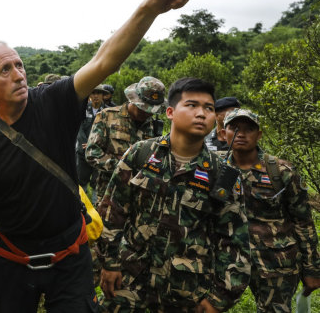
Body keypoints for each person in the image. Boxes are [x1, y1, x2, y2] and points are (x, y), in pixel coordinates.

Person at [0, 0, 194, 313]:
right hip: (13, 264)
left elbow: (105, 60)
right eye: (5, 69)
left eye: (19, 64)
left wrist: (149, 8)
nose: (18, 74)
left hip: (71, 260)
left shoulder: (52, 101)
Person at [98, 77, 251, 312]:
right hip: (129, 285)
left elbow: (234, 242)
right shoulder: (141, 153)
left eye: (208, 108)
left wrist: (218, 298)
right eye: (192, 105)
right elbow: (113, 210)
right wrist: (109, 263)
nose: (201, 113)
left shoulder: (222, 175)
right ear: (170, 112)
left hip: (186, 294)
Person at [223, 109, 320, 312]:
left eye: (249, 129)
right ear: (223, 133)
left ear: (259, 135)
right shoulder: (215, 168)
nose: (241, 134)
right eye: (234, 128)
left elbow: (303, 221)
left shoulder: (281, 172)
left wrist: (312, 268)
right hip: (228, 258)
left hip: (276, 263)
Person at [85, 77, 166, 205]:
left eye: (151, 111)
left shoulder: (154, 126)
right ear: (134, 100)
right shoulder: (107, 116)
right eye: (143, 109)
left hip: (140, 198)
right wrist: (123, 167)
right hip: (109, 195)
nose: (147, 114)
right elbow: (91, 153)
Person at [76, 85, 110, 191]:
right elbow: (79, 128)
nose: (95, 96)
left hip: (100, 152)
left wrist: (92, 144)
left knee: (98, 181)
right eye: (93, 93)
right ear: (89, 95)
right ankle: (81, 205)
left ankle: (96, 206)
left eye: (98, 93)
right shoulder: (82, 108)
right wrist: (87, 144)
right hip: (82, 150)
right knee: (81, 180)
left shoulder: (108, 111)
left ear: (102, 95)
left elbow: (109, 132)